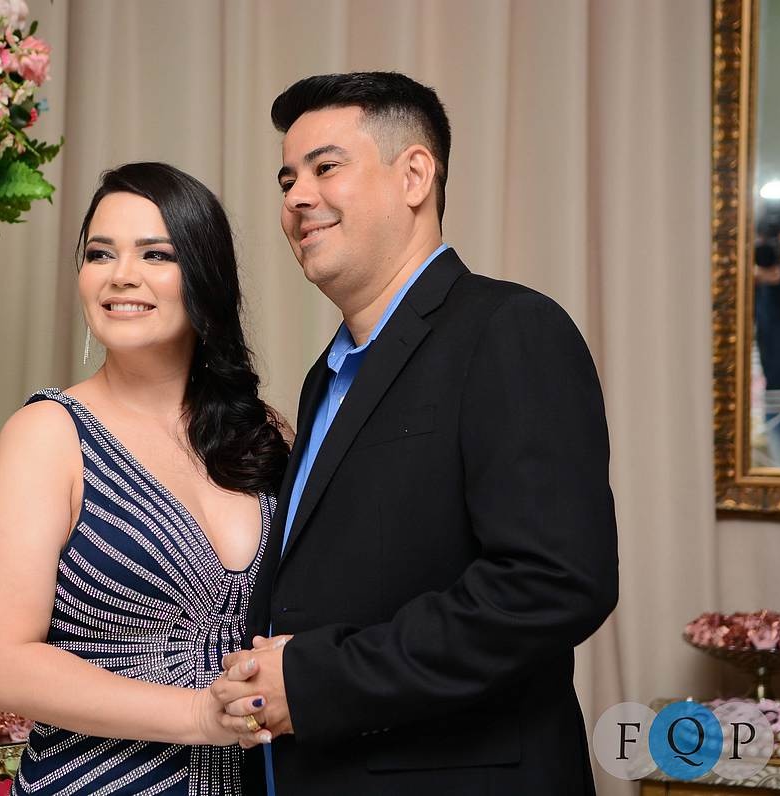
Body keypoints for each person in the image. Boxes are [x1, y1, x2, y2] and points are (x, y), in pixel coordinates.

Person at [212, 72, 619, 795]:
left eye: (325, 167)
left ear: (415, 176)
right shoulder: (325, 378)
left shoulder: (509, 329)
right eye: (287, 179)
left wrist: (317, 680)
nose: (297, 197)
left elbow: (553, 584)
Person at [0, 162, 290, 795]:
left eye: (155, 254)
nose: (121, 275)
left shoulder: (264, 432)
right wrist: (198, 715)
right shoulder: (48, 435)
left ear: (205, 275)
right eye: (100, 253)